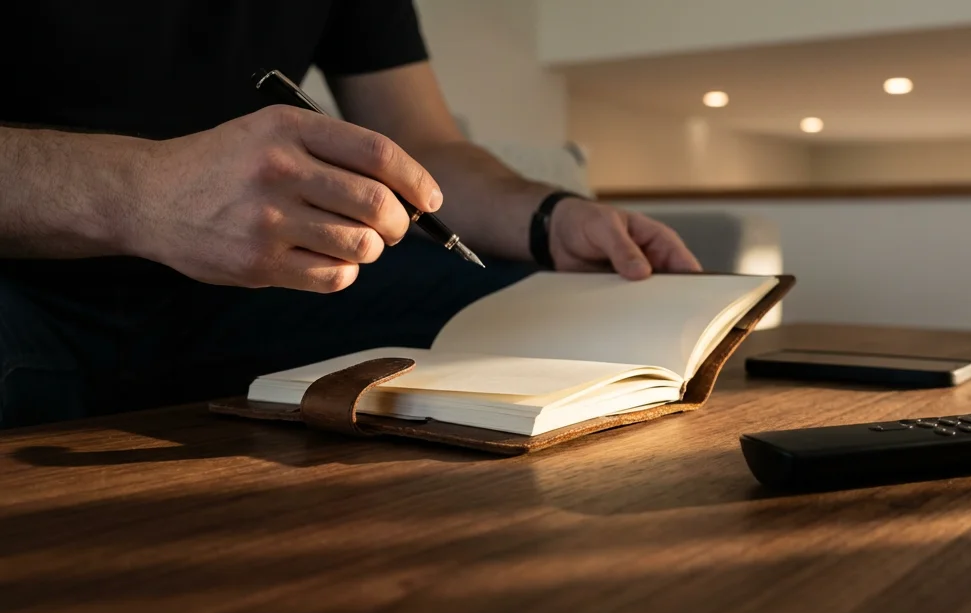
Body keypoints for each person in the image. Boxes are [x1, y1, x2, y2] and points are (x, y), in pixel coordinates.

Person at [0, 0, 701, 430]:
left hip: (257, 285)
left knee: (540, 318)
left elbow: (423, 145)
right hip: (24, 280)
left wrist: (547, 216)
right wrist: (147, 193)